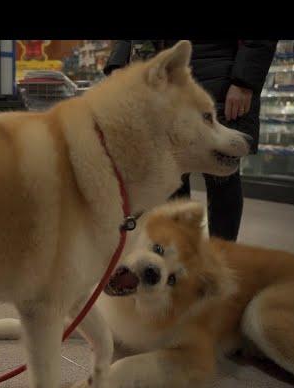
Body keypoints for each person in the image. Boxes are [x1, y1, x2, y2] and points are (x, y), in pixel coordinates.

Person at [104, 40, 277, 241]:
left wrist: (244, 82)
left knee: (223, 177)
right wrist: (118, 63)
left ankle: (219, 258)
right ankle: (179, 258)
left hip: (221, 76)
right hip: (168, 76)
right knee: (171, 177)